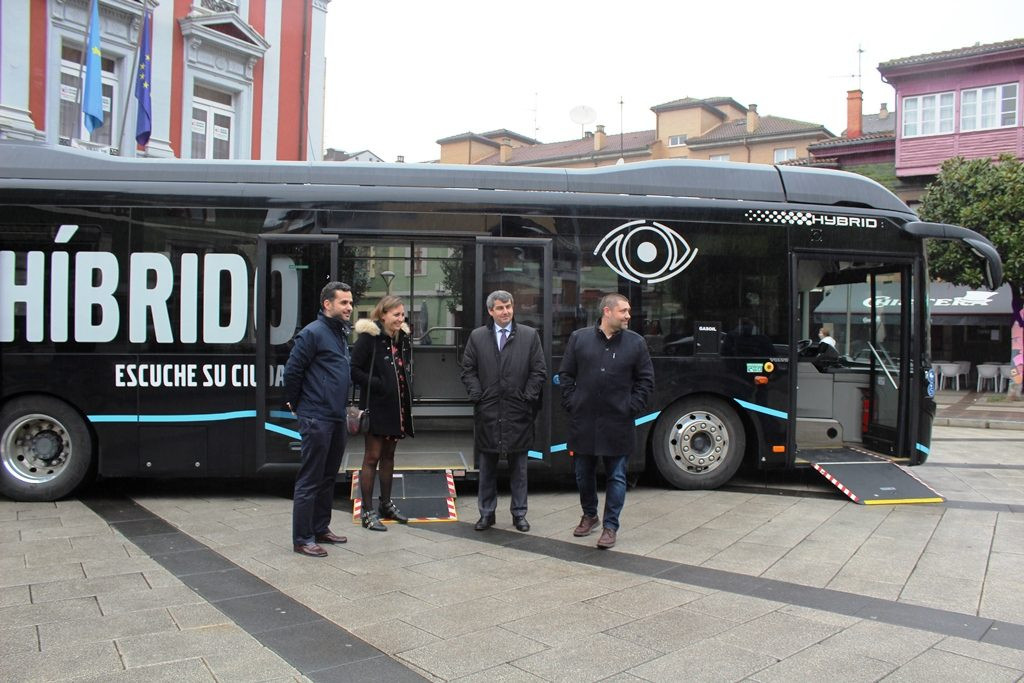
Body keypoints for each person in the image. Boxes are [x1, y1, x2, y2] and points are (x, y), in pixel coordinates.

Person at [558, 293, 654, 550]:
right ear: (607, 312)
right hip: (584, 421)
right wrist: (572, 402)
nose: (628, 316)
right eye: (624, 311)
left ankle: (610, 527)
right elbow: (565, 374)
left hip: (618, 423)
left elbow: (646, 381)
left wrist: (630, 407)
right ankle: (590, 515)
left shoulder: (636, 343)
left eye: (629, 311)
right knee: (582, 474)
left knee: (617, 476)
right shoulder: (579, 339)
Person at [461, 290, 547, 532]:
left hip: (518, 412)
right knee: (486, 468)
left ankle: (519, 514)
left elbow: (539, 371)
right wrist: (478, 395)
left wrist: (527, 398)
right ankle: (486, 514)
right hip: (488, 412)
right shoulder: (477, 337)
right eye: (499, 308)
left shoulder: (529, 336)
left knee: (519, 469)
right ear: (490, 311)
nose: (505, 312)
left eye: (508, 307)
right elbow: (467, 370)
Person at [283, 282, 354, 558]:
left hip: (335, 416)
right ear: (327, 304)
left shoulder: (339, 333)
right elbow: (292, 372)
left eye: (350, 302)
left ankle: (321, 528)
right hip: (316, 416)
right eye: (343, 303)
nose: (349, 307)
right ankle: (302, 538)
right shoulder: (312, 333)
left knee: (328, 477)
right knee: (310, 479)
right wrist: (298, 404)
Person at [351, 295, 415, 531]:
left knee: (389, 457)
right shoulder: (370, 338)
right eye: (396, 315)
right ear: (383, 315)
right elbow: (354, 370)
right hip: (376, 406)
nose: (400, 319)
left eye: (402, 315)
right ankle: (367, 512)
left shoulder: (400, 338)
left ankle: (385, 504)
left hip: (395, 408)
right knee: (372, 458)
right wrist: (378, 384)